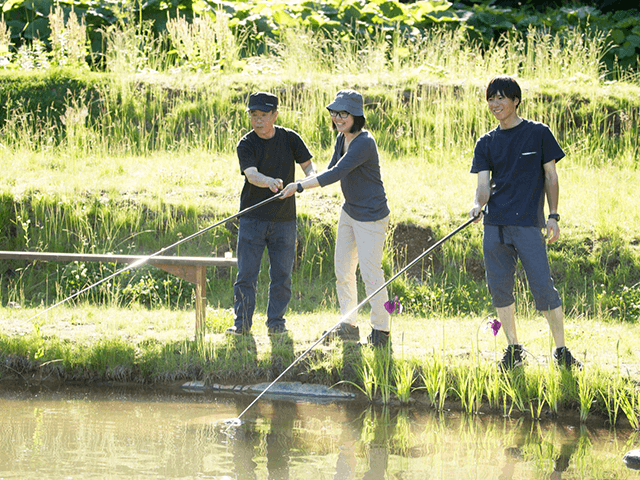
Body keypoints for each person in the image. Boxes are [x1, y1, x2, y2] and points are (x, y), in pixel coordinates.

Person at [468, 75, 581, 371]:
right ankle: (514, 348)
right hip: (495, 226)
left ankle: (561, 351)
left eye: (501, 98)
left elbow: (551, 177)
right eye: (491, 99)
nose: (495, 104)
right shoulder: (486, 142)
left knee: (544, 288)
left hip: (529, 224)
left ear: (516, 100)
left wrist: (553, 216)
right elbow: (483, 184)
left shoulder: (538, 133)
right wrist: (478, 205)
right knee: (499, 290)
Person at [281, 89, 391, 347]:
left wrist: (299, 186)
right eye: (335, 113)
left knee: (371, 273)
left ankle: (381, 332)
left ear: (356, 115)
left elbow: (337, 173)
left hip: (371, 217)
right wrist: (305, 179)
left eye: (344, 114)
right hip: (350, 211)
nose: (338, 118)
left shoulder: (365, 142)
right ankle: (349, 324)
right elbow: (329, 170)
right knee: (343, 269)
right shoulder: (342, 139)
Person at [227, 92, 315, 336]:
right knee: (246, 275)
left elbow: (309, 166)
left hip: (285, 220)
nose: (258, 120)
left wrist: (309, 181)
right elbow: (251, 174)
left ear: (275, 115)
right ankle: (241, 325)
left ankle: (276, 324)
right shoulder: (246, 143)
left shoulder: (290, 138)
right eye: (254, 115)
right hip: (252, 219)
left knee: (282, 276)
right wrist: (269, 182)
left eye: (263, 115)